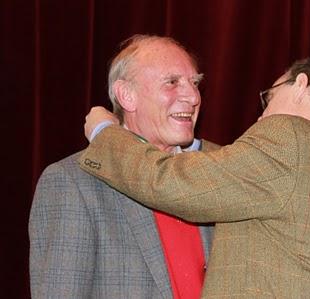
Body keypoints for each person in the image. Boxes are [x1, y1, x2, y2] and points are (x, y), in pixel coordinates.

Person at [80, 56, 310, 298]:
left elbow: (176, 184)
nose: (261, 116)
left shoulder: (290, 136)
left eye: (268, 98)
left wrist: (105, 133)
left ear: (300, 85)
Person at [29, 34, 219, 298]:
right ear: (127, 96)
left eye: (194, 82)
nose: (193, 96)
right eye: (172, 82)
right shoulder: (73, 182)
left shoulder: (213, 173)